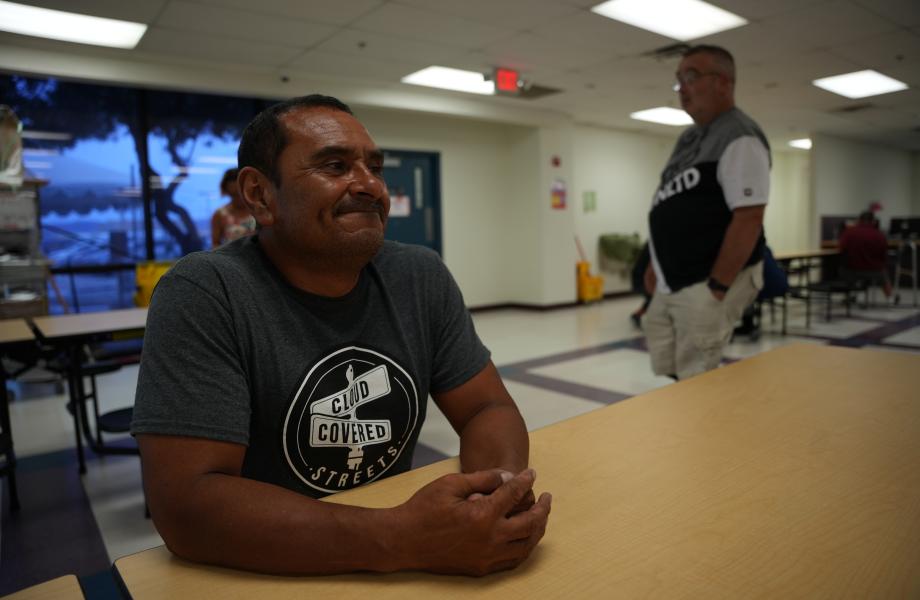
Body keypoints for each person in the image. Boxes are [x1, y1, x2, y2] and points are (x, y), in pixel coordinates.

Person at [131, 95, 551, 576]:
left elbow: (486, 407)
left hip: (390, 556)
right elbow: (187, 506)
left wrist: (494, 497)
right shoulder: (204, 293)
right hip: (259, 570)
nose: (371, 185)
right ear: (262, 195)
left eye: (375, 167)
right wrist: (404, 538)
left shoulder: (419, 274)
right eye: (335, 165)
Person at [643, 45, 768, 380]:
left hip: (704, 282)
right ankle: (676, 426)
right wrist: (657, 264)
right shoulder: (689, 138)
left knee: (697, 376)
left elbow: (749, 219)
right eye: (678, 80)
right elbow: (667, 202)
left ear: (724, 83)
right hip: (674, 282)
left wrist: (718, 286)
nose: (682, 87)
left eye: (692, 77)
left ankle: (697, 431)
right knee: (670, 363)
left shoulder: (739, 136)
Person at [839, 210, 894, 299]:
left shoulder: (849, 233)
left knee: (842, 269)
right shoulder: (879, 235)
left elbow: (842, 249)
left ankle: (849, 296)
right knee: (884, 272)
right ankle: (890, 299)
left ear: (859, 220)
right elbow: (883, 255)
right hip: (875, 271)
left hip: (852, 271)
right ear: (873, 221)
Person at [210, 167, 256, 247]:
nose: (238, 199)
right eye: (233, 195)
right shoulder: (220, 214)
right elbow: (215, 243)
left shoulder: (258, 211)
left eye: (240, 195)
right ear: (226, 191)